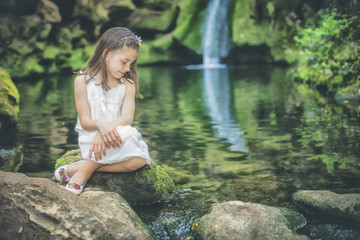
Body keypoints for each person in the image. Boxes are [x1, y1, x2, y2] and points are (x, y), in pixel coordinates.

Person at [54, 27, 151, 194]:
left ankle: (85, 167)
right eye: (124, 62)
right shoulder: (82, 81)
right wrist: (100, 126)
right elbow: (85, 121)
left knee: (140, 159)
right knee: (131, 140)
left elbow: (127, 119)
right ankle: (84, 172)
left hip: (116, 137)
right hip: (92, 142)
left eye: (131, 63)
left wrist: (105, 131)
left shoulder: (127, 85)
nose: (128, 68)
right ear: (107, 54)